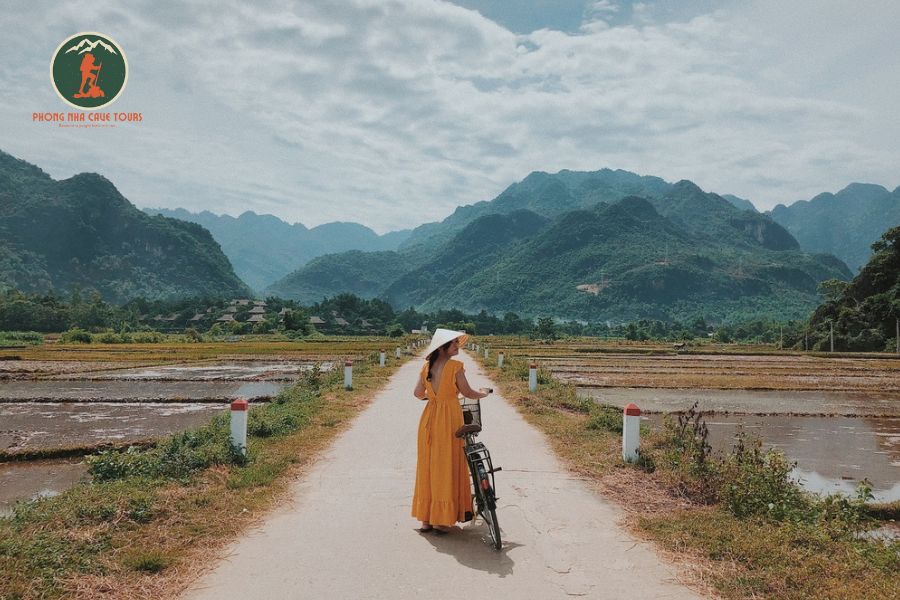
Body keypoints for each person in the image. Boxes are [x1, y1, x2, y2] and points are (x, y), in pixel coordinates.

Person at [411, 328, 490, 534]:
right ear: (442, 347)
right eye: (454, 343)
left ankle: (427, 520)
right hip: (449, 421)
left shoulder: (426, 367)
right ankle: (441, 520)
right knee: (446, 465)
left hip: (429, 420)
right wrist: (483, 394)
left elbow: (418, 393)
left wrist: (434, 398)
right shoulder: (455, 367)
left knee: (428, 466)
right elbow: (467, 392)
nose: (458, 346)